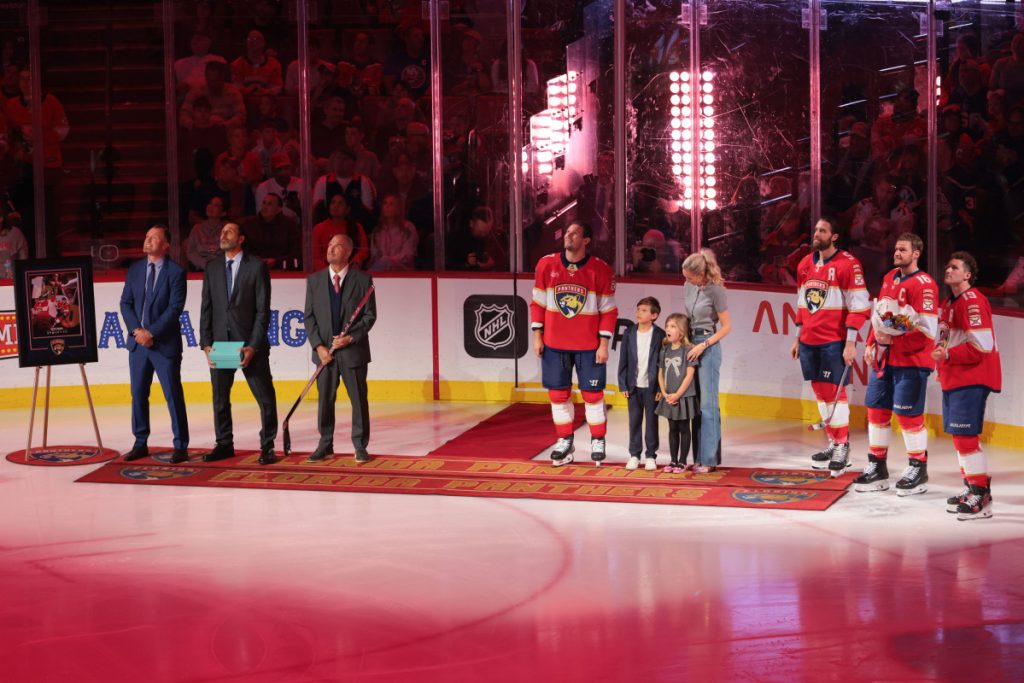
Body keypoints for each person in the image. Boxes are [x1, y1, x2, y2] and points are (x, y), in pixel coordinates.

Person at [854, 233, 939, 494]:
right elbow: (880, 316)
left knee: (907, 415)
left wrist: (892, 342)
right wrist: (871, 342)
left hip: (912, 360)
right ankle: (877, 467)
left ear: (916, 253)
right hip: (885, 358)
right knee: (876, 411)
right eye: (896, 249)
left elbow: (927, 330)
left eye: (902, 249)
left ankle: (918, 468)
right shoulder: (889, 277)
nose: (896, 253)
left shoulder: (925, 285)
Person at [531, 221, 618, 466]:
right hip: (554, 344)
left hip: (588, 346)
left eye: (575, 233)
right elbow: (537, 303)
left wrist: (603, 344)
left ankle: (597, 439)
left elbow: (609, 311)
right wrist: (537, 336)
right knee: (558, 395)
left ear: (586, 240)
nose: (569, 236)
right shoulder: (546, 264)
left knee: (592, 395)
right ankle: (564, 441)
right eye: (567, 232)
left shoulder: (601, 270)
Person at [791, 217, 871, 472]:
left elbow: (859, 306)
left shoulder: (849, 265)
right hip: (809, 341)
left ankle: (842, 445)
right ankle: (834, 440)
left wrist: (850, 343)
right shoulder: (804, 264)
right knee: (820, 391)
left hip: (833, 341)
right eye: (815, 229)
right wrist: (797, 336)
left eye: (822, 230)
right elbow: (802, 304)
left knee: (835, 392)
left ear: (834, 236)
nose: (816, 233)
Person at [199, 222, 277, 465]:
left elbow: (262, 311)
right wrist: (206, 344)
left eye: (229, 231)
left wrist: (253, 345)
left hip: (249, 345)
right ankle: (224, 444)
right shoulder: (212, 268)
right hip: (221, 344)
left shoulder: (256, 266)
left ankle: (267, 446)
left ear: (241, 238)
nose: (223, 234)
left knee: (264, 398)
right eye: (222, 231)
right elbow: (206, 308)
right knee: (220, 398)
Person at [931, 252, 1002, 520]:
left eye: (955, 267)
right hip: (956, 376)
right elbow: (946, 338)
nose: (948, 270)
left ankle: (980, 494)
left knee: (965, 437)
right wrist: (941, 363)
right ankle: (972, 487)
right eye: (947, 265)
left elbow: (981, 346)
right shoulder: (950, 300)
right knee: (960, 438)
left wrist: (948, 356)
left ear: (967, 275)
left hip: (972, 377)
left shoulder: (972, 301)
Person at [304, 234, 378, 464]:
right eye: (329, 244)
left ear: (348, 252)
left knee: (358, 399)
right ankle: (325, 444)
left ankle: (360, 445)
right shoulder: (314, 280)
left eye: (337, 246)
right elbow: (309, 317)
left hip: (352, 352)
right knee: (325, 399)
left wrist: (351, 338)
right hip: (325, 353)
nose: (331, 249)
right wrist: (319, 347)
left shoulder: (363, 280)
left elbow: (369, 316)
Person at [119, 226, 189, 464]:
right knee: (138, 394)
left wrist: (152, 333)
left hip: (164, 345)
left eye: (154, 237)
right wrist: (138, 331)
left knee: (172, 395)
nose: (148, 240)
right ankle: (140, 443)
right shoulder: (135, 269)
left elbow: (174, 308)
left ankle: (180, 445)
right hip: (138, 345)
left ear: (166, 244)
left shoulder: (176, 272)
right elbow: (126, 303)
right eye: (146, 236)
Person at [680, 248, 732, 472]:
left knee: (709, 405)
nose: (687, 281)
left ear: (701, 274)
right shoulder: (688, 286)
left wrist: (704, 345)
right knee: (697, 405)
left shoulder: (716, 291)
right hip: (692, 343)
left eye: (690, 277)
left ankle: (709, 459)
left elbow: (727, 327)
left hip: (708, 345)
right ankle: (699, 456)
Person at [617, 296, 665, 472]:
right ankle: (634, 455)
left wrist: (661, 387)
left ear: (654, 315)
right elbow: (624, 360)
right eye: (638, 309)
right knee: (634, 421)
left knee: (652, 421)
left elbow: (663, 363)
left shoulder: (660, 335)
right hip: (633, 386)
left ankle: (651, 455)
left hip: (652, 387)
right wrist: (623, 384)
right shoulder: (629, 333)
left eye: (644, 310)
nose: (639, 313)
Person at [656, 313, 700, 473]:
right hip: (669, 396)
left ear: (681, 331)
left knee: (683, 428)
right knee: (672, 428)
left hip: (683, 397)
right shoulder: (665, 349)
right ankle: (673, 460)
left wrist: (678, 394)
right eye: (667, 326)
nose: (668, 329)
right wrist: (664, 392)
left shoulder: (688, 349)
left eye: (673, 326)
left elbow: (689, 375)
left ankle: (682, 461)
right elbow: (660, 372)